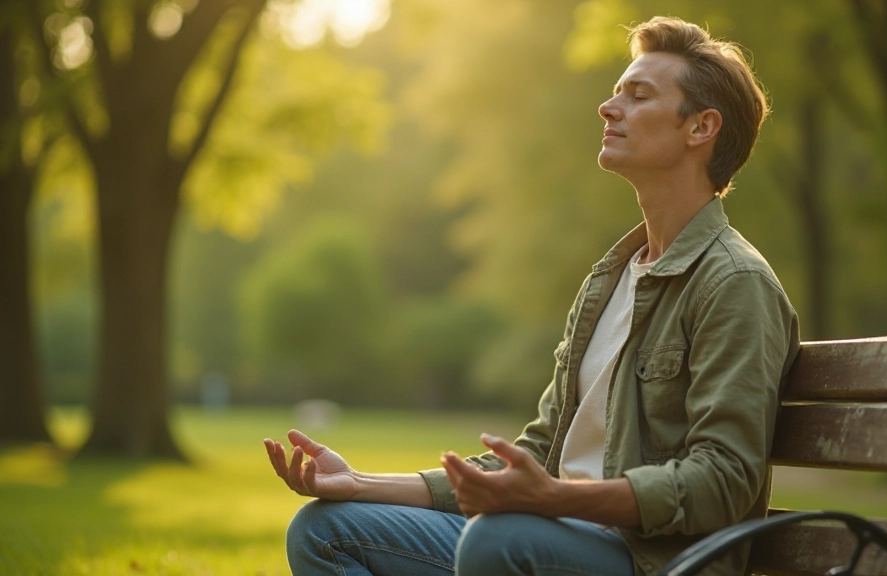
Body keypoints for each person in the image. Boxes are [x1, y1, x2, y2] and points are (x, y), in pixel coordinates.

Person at [264, 15, 800, 576]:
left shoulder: (735, 284)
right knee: (327, 529)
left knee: (499, 541)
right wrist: (360, 483)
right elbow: (541, 456)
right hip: (547, 535)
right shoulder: (611, 279)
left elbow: (723, 481)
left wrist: (552, 500)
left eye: (637, 95)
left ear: (700, 128)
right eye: (616, 91)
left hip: (654, 560)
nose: (608, 107)